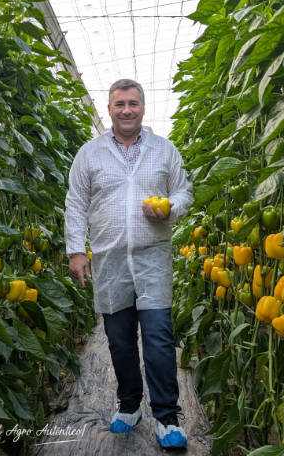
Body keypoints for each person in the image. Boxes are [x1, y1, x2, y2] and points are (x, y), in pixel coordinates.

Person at [64, 79, 193, 449]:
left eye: (133, 103)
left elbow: (183, 190)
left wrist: (172, 206)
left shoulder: (164, 150)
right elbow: (76, 203)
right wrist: (76, 250)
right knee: (119, 341)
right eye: (119, 104)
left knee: (158, 338)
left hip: (153, 258)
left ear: (143, 107)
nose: (126, 110)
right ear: (109, 109)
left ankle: (167, 417)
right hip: (109, 260)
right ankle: (129, 405)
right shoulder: (90, 154)